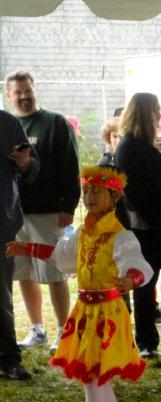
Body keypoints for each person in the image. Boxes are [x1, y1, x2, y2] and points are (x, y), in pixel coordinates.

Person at [6, 166, 152, 402]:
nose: (88, 196)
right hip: (86, 312)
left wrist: (131, 280)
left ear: (113, 197)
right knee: (96, 381)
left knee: (96, 379)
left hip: (108, 315)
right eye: (86, 191)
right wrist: (28, 247)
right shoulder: (85, 232)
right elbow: (63, 255)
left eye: (96, 191)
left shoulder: (120, 236)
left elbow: (139, 266)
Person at [5, 70, 79, 353]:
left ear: (35, 90)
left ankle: (64, 331)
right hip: (14, 213)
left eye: (28, 91)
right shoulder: (8, 125)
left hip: (49, 212)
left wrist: (68, 206)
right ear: (8, 96)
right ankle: (37, 330)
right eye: (18, 92)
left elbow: (70, 166)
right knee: (23, 270)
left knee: (55, 271)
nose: (24, 96)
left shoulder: (54, 122)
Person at [114, 92, 161, 358]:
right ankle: (146, 342)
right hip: (148, 229)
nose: (158, 115)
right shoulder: (128, 147)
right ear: (145, 113)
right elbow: (132, 194)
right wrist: (159, 225)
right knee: (145, 284)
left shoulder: (147, 143)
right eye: (155, 110)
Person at [0, 109, 38, 380]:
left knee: (1, 294)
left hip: (2, 219)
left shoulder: (7, 123)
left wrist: (24, 162)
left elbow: (32, 168)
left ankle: (9, 359)